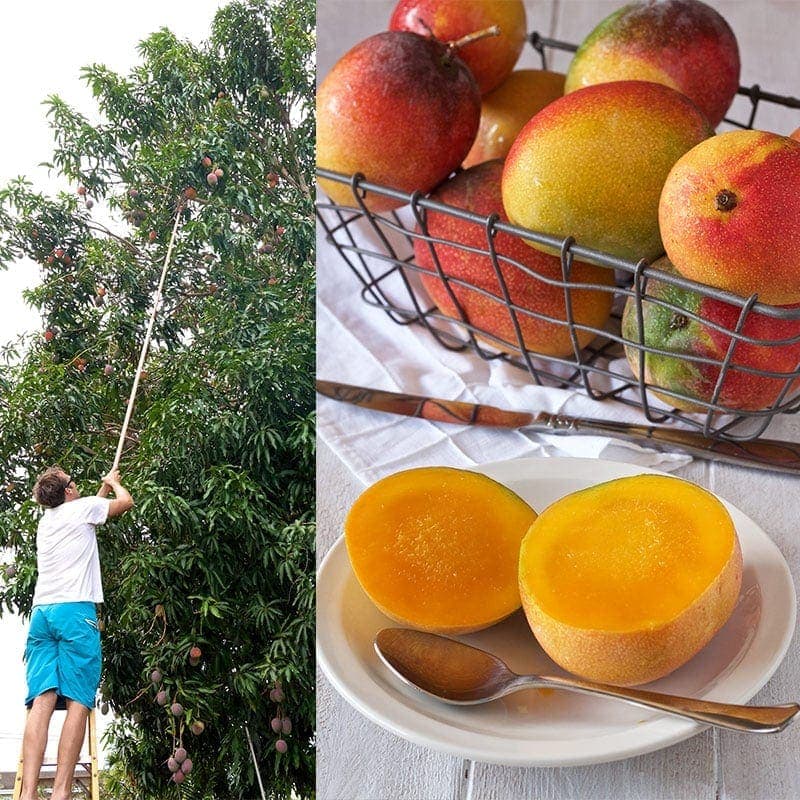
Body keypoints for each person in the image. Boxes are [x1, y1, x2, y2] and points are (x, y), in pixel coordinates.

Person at [19, 466, 133, 800]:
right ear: (69, 491)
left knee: (42, 698)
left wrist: (98, 491)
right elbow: (124, 502)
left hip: (43, 614)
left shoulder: (47, 521)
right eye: (74, 482)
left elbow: (88, 514)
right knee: (78, 702)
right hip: (75, 613)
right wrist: (113, 484)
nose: (78, 485)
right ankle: (61, 792)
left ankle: (27, 794)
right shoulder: (82, 510)